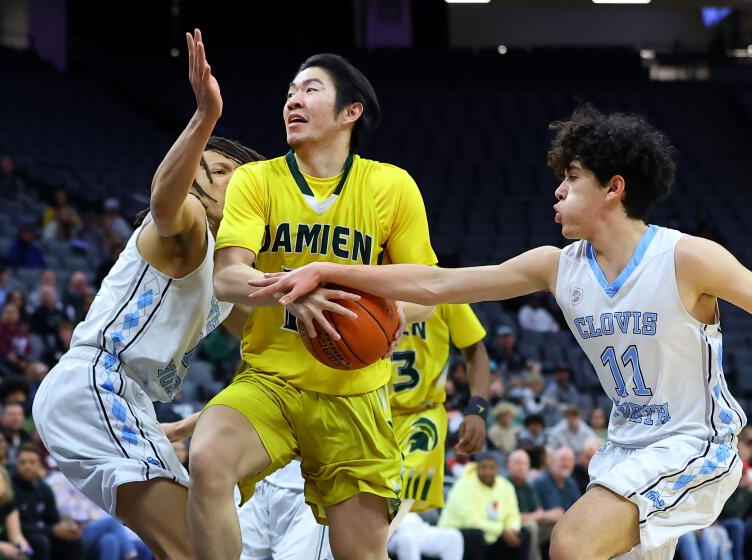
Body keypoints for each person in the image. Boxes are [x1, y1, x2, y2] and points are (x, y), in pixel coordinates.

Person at [250, 106, 751, 559]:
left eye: (572, 178)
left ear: (614, 188)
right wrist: (329, 271)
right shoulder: (555, 266)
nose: (558, 190)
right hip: (624, 447)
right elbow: (435, 281)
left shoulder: (686, 257)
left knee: (572, 543)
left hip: (696, 441)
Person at [195, 48, 437, 558]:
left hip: (355, 394)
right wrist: (291, 290)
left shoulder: (391, 187)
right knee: (210, 457)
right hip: (272, 381)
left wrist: (394, 315)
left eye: (310, 90)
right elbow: (228, 277)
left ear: (352, 112)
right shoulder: (256, 181)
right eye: (288, 93)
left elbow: (426, 291)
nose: (293, 101)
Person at [32, 29, 262, 560]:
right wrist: (204, 118)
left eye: (230, 172)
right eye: (213, 164)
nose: (217, 173)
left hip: (122, 397)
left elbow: (267, 355)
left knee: (212, 548)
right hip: (97, 383)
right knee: (195, 549)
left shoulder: (231, 269)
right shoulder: (187, 231)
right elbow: (163, 201)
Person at [390, 303, 490, 515]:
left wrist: (478, 408)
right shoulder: (363, 278)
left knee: (394, 497)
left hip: (421, 414)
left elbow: (475, 348)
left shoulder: (441, 288)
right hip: (368, 411)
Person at [439, 452, 530, 560]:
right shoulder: (464, 485)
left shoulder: (506, 486)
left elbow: (513, 514)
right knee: (476, 536)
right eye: (483, 468)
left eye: (492, 468)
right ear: (477, 468)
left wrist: (512, 529)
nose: (488, 472)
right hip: (457, 533)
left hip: (491, 535)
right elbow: (471, 521)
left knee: (523, 534)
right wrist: (502, 530)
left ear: (498, 469)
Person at [11, 444, 82, 560]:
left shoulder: (44, 488)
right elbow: (17, 527)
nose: (27, 466)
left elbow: (53, 521)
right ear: (16, 465)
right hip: (19, 537)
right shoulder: (10, 488)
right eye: (22, 462)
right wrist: (52, 530)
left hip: (43, 533)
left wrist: (66, 528)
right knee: (41, 542)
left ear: (39, 464)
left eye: (32, 462)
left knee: (74, 541)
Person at [507, 449, 561, 560]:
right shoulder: (504, 485)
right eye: (517, 463)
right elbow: (508, 516)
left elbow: (539, 511)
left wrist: (549, 515)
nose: (521, 467)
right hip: (512, 527)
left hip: (530, 524)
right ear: (508, 465)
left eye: (525, 463)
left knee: (557, 524)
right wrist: (536, 516)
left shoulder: (529, 487)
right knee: (532, 526)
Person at [533, 447, 581, 515]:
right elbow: (533, 513)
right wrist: (548, 515)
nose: (567, 464)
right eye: (563, 459)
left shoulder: (571, 483)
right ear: (553, 461)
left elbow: (578, 509)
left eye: (570, 460)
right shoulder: (540, 483)